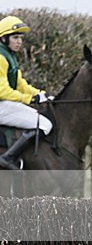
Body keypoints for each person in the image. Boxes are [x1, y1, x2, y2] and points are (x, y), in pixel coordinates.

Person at [0, 15, 53, 169]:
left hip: (5, 104)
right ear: (3, 38)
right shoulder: (1, 57)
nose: (19, 42)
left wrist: (41, 95)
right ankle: (7, 158)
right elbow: (2, 91)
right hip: (1, 104)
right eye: (15, 37)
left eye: (20, 38)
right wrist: (29, 99)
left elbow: (20, 84)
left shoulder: (8, 55)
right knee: (44, 124)